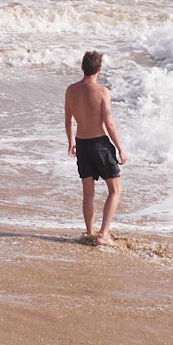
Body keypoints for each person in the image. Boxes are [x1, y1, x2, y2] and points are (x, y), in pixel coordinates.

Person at [64, 52, 125, 246]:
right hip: (100, 145)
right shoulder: (102, 91)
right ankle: (103, 234)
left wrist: (71, 142)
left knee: (88, 193)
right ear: (99, 70)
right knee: (115, 190)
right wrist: (120, 148)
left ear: (82, 67)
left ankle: (90, 232)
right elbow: (109, 123)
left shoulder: (71, 90)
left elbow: (68, 120)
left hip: (82, 144)